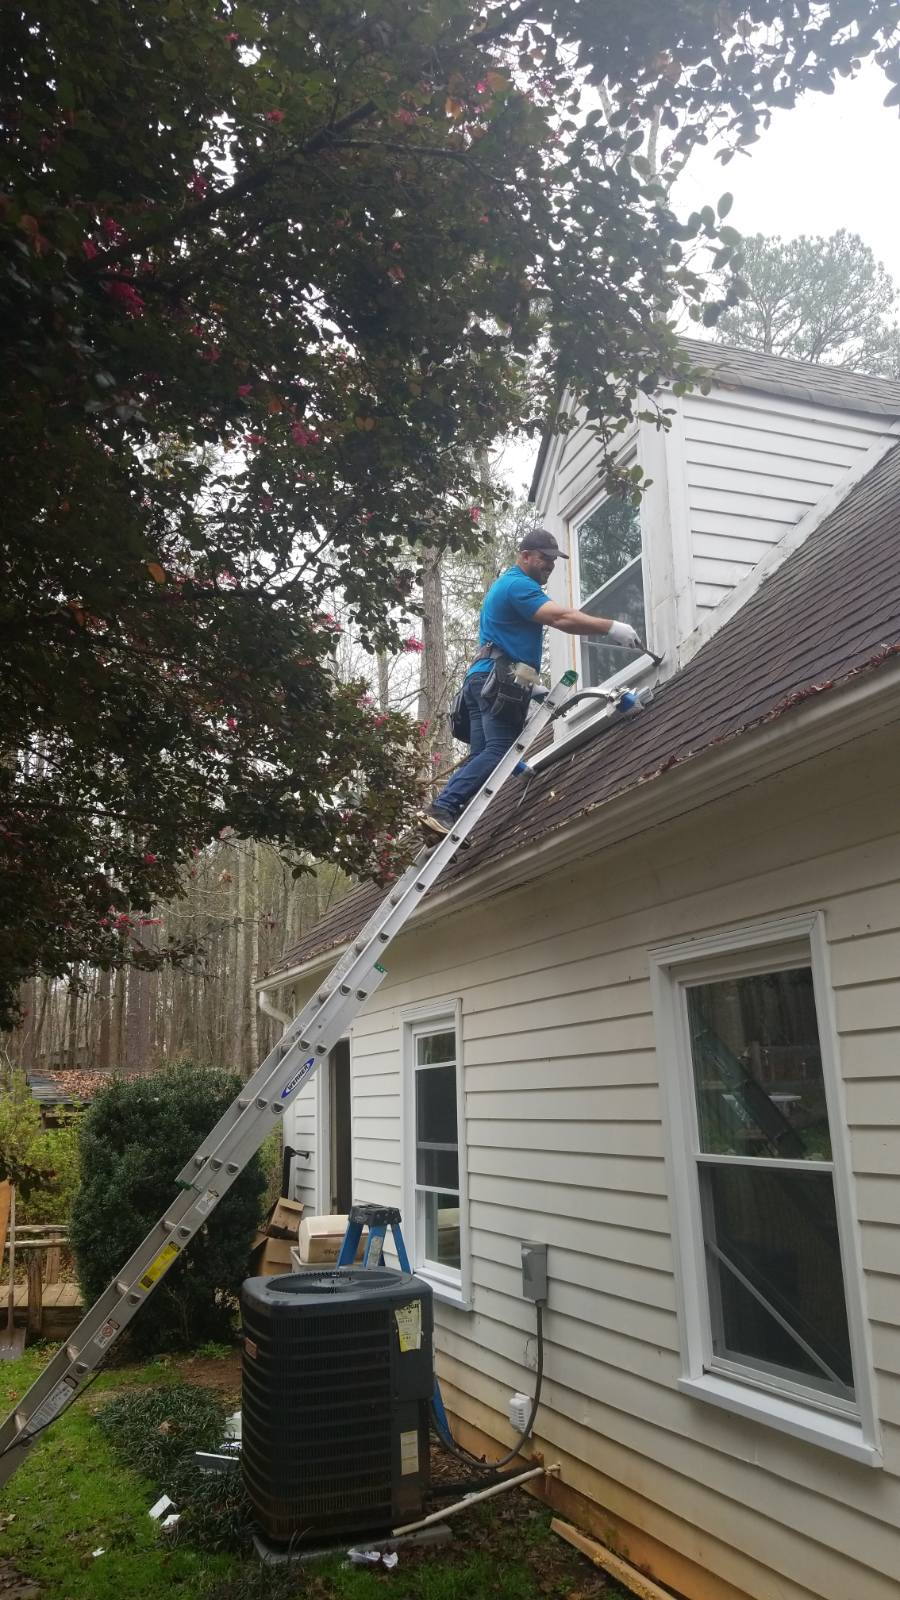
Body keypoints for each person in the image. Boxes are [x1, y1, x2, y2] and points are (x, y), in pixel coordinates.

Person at [422, 528, 642, 838]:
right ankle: (442, 807)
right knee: (500, 751)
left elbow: (502, 643)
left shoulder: (506, 585)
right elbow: (560, 618)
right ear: (525, 556)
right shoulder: (519, 586)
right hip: (494, 681)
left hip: (483, 678)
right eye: (544, 558)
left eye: (554, 560)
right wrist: (611, 627)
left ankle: (442, 817)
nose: (550, 565)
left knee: (483, 755)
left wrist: (531, 685)